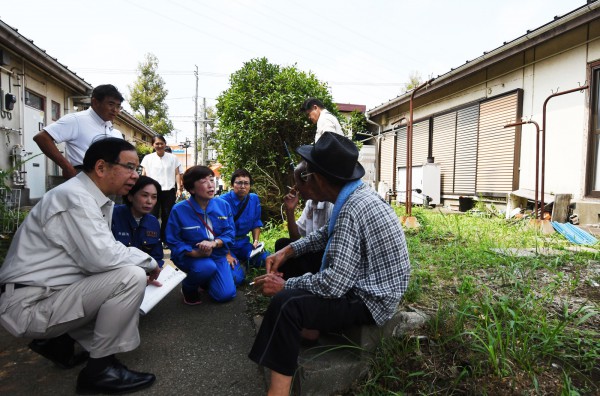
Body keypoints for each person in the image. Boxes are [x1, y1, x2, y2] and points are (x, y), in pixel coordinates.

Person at [249, 133, 411, 396]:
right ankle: (310, 330)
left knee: (287, 304)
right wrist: (288, 251)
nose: (299, 189)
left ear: (317, 179)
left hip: (371, 299)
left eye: (302, 180)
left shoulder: (351, 208)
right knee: (287, 252)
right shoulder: (353, 195)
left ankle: (277, 392)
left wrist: (285, 285)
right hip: (360, 276)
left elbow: (335, 284)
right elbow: (325, 235)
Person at [0, 138, 160, 394]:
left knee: (119, 278)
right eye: (130, 167)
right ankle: (100, 371)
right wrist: (149, 261)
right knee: (129, 277)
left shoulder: (89, 197)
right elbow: (103, 257)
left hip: (45, 294)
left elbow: (97, 259)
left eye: (137, 169)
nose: (135, 176)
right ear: (100, 167)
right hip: (29, 305)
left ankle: (64, 342)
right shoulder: (75, 198)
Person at [165, 165, 244, 305]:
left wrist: (215, 243)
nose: (210, 185)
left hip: (218, 254)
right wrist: (195, 253)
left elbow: (230, 234)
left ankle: (205, 281)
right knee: (206, 267)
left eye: (212, 180)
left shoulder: (223, 206)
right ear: (192, 189)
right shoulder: (179, 210)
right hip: (191, 257)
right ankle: (188, 287)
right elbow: (173, 241)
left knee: (227, 293)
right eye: (203, 181)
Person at [33, 84, 125, 180]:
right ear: (95, 102)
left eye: (118, 106)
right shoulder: (77, 120)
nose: (115, 110)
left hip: (111, 179)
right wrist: (67, 167)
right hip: (85, 176)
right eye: (110, 104)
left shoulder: (114, 131)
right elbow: (42, 137)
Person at [275, 161, 331, 279]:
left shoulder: (330, 205)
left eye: (297, 182)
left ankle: (292, 286)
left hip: (327, 258)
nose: (295, 187)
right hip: (312, 253)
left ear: (311, 181)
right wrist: (290, 211)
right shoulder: (311, 203)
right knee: (282, 244)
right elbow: (295, 237)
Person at [112, 175, 165, 286]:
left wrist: (153, 274)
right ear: (130, 196)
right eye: (144, 195)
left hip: (146, 276)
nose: (149, 201)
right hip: (116, 277)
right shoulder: (113, 215)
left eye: (154, 197)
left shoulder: (153, 222)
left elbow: (157, 256)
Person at [217, 169, 268, 269]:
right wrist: (227, 254)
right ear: (232, 185)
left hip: (243, 243)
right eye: (239, 183)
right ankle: (239, 265)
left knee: (266, 259)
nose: (243, 186)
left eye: (246, 183)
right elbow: (218, 230)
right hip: (226, 246)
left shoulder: (254, 199)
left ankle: (244, 260)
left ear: (250, 186)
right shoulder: (221, 201)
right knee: (236, 276)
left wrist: (256, 241)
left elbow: (256, 223)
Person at [140, 135, 184, 242]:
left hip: (168, 190)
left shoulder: (173, 158)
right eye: (157, 143)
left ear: (165, 144)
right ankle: (151, 238)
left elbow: (178, 173)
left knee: (167, 216)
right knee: (151, 215)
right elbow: (144, 174)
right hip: (152, 191)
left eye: (161, 143)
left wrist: (179, 188)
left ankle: (165, 239)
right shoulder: (147, 158)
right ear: (153, 145)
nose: (159, 145)